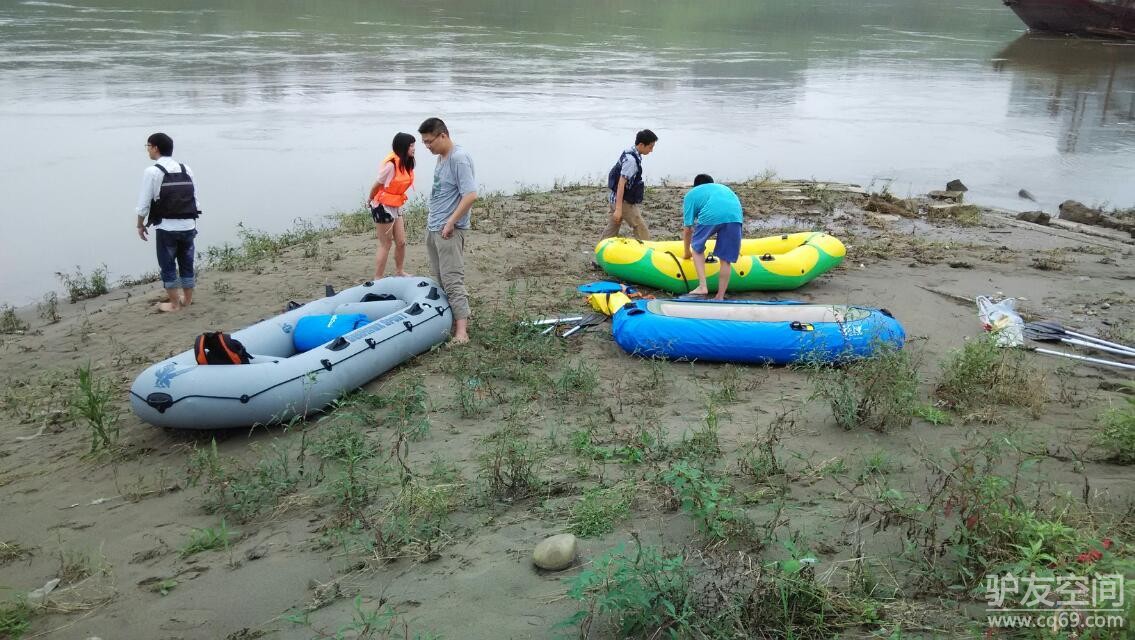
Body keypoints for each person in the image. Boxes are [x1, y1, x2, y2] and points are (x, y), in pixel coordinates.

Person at [418, 117, 477, 344]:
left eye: (429, 141)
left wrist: (451, 222)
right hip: (435, 227)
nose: (427, 146)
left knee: (452, 279)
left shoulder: (459, 158)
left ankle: (462, 333)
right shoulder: (441, 157)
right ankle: (453, 319)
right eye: (424, 142)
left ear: (443, 135)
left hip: (449, 230)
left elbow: (470, 195)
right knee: (440, 277)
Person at [136, 132, 201, 312]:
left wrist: (140, 224)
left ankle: (174, 304)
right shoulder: (186, 169)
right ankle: (187, 300)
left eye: (148, 146)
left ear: (155, 148)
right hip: (189, 225)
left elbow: (143, 205)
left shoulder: (152, 172)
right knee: (186, 263)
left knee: (168, 265)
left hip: (167, 228)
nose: (147, 150)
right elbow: (195, 200)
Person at [681, 174, 744, 300]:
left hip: (711, 214)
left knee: (697, 247)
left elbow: (688, 229)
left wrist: (687, 252)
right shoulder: (722, 188)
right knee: (725, 259)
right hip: (735, 215)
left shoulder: (691, 194)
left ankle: (702, 286)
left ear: (695, 186)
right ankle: (720, 296)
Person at [367, 132, 416, 279]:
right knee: (386, 244)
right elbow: (376, 185)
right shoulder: (391, 165)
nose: (414, 148)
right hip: (382, 206)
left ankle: (399, 271)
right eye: (411, 145)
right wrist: (370, 199)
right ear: (403, 146)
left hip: (396, 205)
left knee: (401, 242)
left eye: (414, 145)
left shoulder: (407, 163)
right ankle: (378, 278)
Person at [599, 129, 658, 241]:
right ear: (641, 145)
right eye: (650, 147)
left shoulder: (629, 151)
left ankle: (602, 248)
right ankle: (647, 250)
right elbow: (621, 184)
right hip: (623, 202)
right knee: (640, 227)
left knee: (612, 228)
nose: (651, 150)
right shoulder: (631, 161)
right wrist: (618, 209)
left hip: (614, 198)